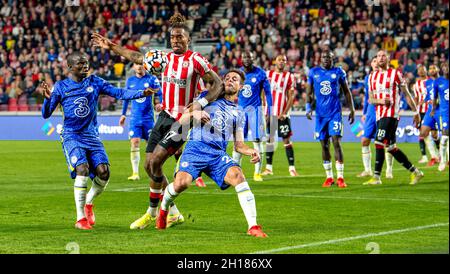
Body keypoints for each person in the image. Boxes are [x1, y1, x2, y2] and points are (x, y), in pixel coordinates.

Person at [92, 13, 223, 230]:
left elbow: (218, 84)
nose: (176, 41)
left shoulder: (196, 60)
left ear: (188, 39)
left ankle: (152, 213)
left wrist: (201, 103)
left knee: (155, 163)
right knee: (148, 165)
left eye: (180, 37)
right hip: (164, 116)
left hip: (183, 120)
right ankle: (173, 213)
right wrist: (112, 46)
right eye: (173, 38)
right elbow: (135, 57)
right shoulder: (164, 58)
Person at [40, 52, 157, 230]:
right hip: (72, 135)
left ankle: (89, 203)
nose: (85, 66)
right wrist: (47, 100)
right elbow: (46, 114)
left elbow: (118, 92)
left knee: (104, 173)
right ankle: (80, 219)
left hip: (92, 136)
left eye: (86, 63)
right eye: (80, 63)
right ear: (70, 67)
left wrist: (141, 93)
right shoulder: (61, 87)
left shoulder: (95, 82)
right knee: (82, 169)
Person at [156, 69, 267, 237]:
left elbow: (238, 145)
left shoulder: (240, 112)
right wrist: (196, 112)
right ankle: (164, 209)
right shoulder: (209, 97)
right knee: (182, 184)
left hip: (217, 154)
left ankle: (253, 226)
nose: (230, 81)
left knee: (238, 175)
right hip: (195, 148)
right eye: (227, 78)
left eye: (234, 79)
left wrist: (250, 150)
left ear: (241, 86)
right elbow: (184, 117)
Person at [364, 50, 424, 185]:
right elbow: (371, 99)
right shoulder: (372, 77)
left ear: (388, 59)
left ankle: (376, 177)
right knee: (390, 147)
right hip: (379, 115)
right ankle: (416, 172)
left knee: (378, 142)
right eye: (378, 56)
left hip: (391, 114)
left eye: (383, 56)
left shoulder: (395, 73)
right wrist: (380, 102)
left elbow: (407, 93)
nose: (380, 58)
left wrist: (416, 112)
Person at [306, 50, 355, 188]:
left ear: (333, 59)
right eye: (323, 57)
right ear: (320, 58)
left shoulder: (339, 72)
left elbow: (346, 91)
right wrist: (308, 107)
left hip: (335, 113)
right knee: (324, 145)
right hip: (320, 115)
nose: (326, 59)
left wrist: (351, 109)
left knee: (336, 142)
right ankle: (329, 177)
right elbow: (309, 92)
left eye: (328, 57)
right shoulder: (313, 72)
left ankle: (340, 177)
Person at [232, 50, 272, 182]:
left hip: (256, 111)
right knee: (238, 143)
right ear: (241, 59)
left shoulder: (260, 73)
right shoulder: (237, 74)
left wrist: (269, 111)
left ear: (253, 58)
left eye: (249, 57)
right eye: (244, 57)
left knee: (257, 141)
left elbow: (268, 93)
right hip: (240, 112)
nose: (247, 59)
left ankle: (257, 173)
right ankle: (236, 171)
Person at [119, 63, 162, 181]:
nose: (139, 67)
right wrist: (123, 114)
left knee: (152, 146)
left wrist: (159, 103)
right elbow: (126, 98)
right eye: (136, 64)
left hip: (148, 119)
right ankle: (135, 173)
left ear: (145, 66)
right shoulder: (130, 81)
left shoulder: (152, 79)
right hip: (135, 118)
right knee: (135, 142)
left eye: (141, 64)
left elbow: (159, 94)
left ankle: (154, 170)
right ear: (133, 66)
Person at [358, 57, 394, 178]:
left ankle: (389, 169)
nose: (376, 63)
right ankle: (367, 170)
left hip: (384, 111)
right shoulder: (368, 78)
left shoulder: (387, 76)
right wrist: (364, 112)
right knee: (365, 140)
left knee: (387, 143)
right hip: (371, 113)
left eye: (377, 61)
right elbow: (368, 97)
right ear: (371, 64)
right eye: (373, 61)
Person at [262, 54, 298, 177]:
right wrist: (264, 109)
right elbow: (263, 92)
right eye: (279, 60)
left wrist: (284, 112)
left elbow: (291, 96)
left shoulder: (289, 76)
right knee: (270, 140)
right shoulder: (267, 74)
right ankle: (268, 168)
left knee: (286, 140)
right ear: (275, 61)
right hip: (270, 114)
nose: (282, 62)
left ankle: (292, 168)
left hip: (282, 115)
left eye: (284, 60)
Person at [419, 64, 441, 167]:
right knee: (423, 132)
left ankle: (445, 158)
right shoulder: (427, 82)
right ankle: (434, 157)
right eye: (430, 68)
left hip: (441, 110)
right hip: (430, 110)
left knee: (440, 135)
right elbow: (429, 95)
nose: (431, 70)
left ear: (438, 69)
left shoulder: (444, 80)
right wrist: (423, 101)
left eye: (434, 68)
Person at [432, 62, 449, 172]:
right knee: (445, 137)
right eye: (444, 67)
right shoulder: (438, 82)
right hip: (445, 113)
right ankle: (442, 160)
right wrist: (433, 109)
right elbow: (434, 97)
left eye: (448, 67)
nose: (446, 69)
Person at [413, 65, 431, 164]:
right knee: (421, 134)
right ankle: (424, 156)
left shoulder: (432, 81)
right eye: (419, 70)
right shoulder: (416, 85)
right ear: (418, 72)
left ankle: (439, 155)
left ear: (426, 71)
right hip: (420, 112)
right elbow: (416, 98)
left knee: (434, 134)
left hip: (431, 110)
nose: (421, 71)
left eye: (423, 69)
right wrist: (415, 112)